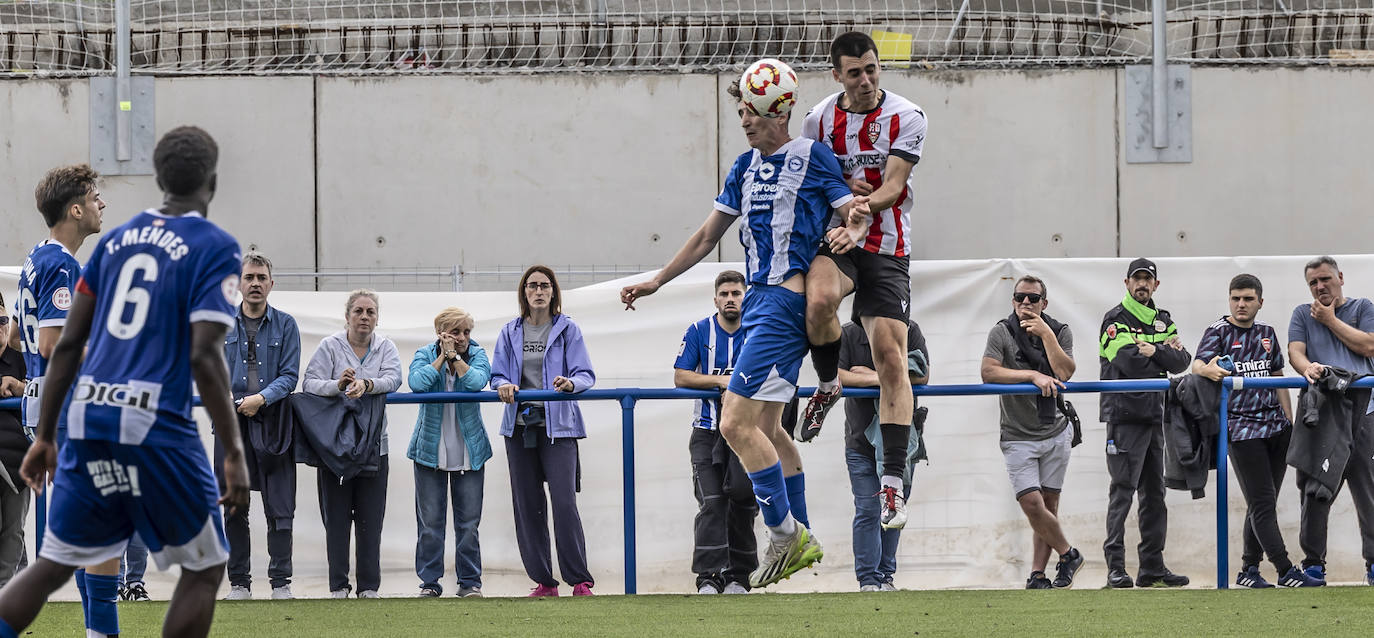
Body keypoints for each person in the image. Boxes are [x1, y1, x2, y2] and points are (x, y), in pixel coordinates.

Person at [0, 125, 251, 638]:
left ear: (158, 178)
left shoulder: (115, 241)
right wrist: (232, 451)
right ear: (214, 181)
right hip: (152, 415)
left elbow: (67, 345)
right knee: (205, 565)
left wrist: (46, 435)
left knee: (55, 562)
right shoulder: (215, 246)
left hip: (84, 411)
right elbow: (203, 354)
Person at [620, 74, 869, 589]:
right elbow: (708, 234)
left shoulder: (812, 156)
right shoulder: (743, 167)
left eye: (749, 112)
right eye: (739, 114)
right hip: (758, 299)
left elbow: (853, 210)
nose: (743, 122)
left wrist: (854, 227)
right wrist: (658, 280)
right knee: (772, 432)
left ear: (776, 111)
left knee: (734, 424)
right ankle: (801, 535)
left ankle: (784, 535)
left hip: (782, 302)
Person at [797, 31, 929, 532]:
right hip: (839, 237)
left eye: (872, 69)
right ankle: (828, 385)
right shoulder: (818, 120)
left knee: (891, 357)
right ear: (837, 75)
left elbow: (893, 186)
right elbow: (812, 179)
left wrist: (860, 209)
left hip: (886, 246)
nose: (867, 80)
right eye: (855, 72)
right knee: (820, 302)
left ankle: (892, 482)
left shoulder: (907, 115)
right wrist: (839, 197)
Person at [13, 164, 125, 635]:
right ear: (75, 209)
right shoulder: (61, 262)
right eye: (97, 197)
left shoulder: (36, 258)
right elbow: (51, 344)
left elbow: (22, 338)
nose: (103, 205)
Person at [1191, 274, 1317, 588]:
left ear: (1260, 301)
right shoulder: (1218, 331)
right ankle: (1286, 570)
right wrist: (1210, 370)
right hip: (1242, 430)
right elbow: (1197, 365)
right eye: (1236, 298)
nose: (1241, 304)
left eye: (1248, 298)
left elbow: (1277, 374)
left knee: (1263, 504)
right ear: (1229, 300)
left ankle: (1248, 570)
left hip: (1275, 428)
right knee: (1262, 503)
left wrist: (1288, 421)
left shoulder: (1266, 333)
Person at [492, 266, 597, 597]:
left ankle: (579, 580)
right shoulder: (509, 332)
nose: (538, 291)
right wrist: (504, 384)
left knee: (564, 504)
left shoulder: (568, 330)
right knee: (528, 505)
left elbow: (585, 374)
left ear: (554, 293)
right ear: (524, 292)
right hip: (520, 428)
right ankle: (543, 581)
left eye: (545, 286)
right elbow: (496, 376)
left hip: (559, 428)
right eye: (532, 286)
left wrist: (570, 384)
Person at [980, 275, 1085, 589]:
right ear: (1013, 301)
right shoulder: (1002, 331)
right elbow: (987, 372)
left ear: (1044, 303)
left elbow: (1065, 371)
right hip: (1017, 434)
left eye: (1033, 298)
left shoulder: (1060, 330)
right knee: (1031, 504)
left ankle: (1038, 574)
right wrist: (1032, 375)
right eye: (1019, 297)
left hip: (1055, 429)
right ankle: (1069, 555)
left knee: (1049, 506)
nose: (1026, 303)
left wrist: (1046, 335)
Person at [302, 289, 402, 599]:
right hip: (335, 448)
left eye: (370, 312)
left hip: (375, 446)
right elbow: (309, 383)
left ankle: (369, 587)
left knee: (371, 521)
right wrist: (339, 385)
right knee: (337, 520)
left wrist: (368, 384)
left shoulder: (386, 347)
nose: (364, 317)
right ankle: (338, 586)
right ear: (347, 316)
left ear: (376, 318)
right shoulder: (329, 346)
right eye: (358, 311)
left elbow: (395, 377)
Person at [1098, 258, 1192, 588]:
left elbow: (1182, 360)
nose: (1142, 284)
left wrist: (1152, 350)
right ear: (1126, 283)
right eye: (1136, 279)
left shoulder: (1163, 319)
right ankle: (1116, 568)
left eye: (1147, 279)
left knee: (1155, 494)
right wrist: (1159, 352)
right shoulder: (1114, 319)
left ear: (1156, 285)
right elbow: (1128, 363)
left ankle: (1151, 567)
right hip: (1124, 417)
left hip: (1155, 416)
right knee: (1122, 492)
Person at [1286, 256, 1374, 586]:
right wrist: (1305, 366)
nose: (1320, 286)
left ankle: (1373, 564)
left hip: (1364, 411)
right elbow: (1295, 351)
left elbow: (1369, 346)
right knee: (1314, 488)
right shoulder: (1301, 314)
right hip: (1321, 412)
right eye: (1313, 283)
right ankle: (1313, 564)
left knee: (1368, 489)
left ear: (1340, 276)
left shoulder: (1364, 306)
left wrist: (1330, 319)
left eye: (1325, 279)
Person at [219, 252, 301, 600]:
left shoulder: (286, 325)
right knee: (234, 504)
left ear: (271, 283)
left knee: (279, 505)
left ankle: (280, 583)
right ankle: (239, 583)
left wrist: (260, 399)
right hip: (230, 424)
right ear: (238, 284)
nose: (254, 283)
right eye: (248, 277)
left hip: (275, 421)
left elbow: (289, 376)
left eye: (261, 277)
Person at [672, 270, 757, 595]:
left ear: (745, 297)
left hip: (746, 433)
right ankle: (708, 577)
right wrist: (722, 382)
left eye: (736, 293)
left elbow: (774, 374)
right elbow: (681, 376)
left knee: (743, 502)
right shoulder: (698, 331)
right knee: (712, 503)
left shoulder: (757, 333)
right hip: (707, 432)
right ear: (716, 299)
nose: (731, 299)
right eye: (725, 294)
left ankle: (739, 577)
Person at [839, 316, 929, 592]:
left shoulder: (909, 328)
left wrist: (867, 376)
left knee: (894, 508)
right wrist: (889, 378)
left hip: (901, 442)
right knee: (867, 508)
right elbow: (837, 375)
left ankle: (885, 576)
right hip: (860, 440)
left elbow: (921, 374)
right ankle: (868, 579)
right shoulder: (847, 333)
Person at [407, 306, 491, 599]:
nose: (463, 337)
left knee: (468, 524)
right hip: (429, 450)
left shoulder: (478, 354)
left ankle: (469, 582)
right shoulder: (424, 353)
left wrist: (455, 358)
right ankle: (430, 583)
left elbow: (477, 382)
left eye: (466, 332)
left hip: (470, 451)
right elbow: (417, 383)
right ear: (440, 332)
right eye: (456, 331)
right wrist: (442, 357)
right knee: (430, 524)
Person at [0, 296, 29, 589]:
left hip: (17, 460)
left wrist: (21, 387)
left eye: (3, 321)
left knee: (13, 532)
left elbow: (46, 389)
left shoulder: (22, 360)